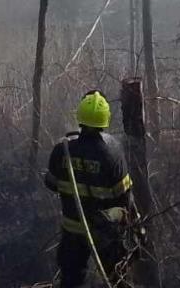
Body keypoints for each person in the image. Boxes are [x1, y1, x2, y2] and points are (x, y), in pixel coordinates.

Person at [43, 90, 136, 286]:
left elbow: (51, 183)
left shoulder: (63, 150)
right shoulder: (113, 152)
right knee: (117, 280)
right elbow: (124, 197)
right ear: (106, 119)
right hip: (105, 233)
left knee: (71, 280)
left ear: (80, 117)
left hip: (72, 233)